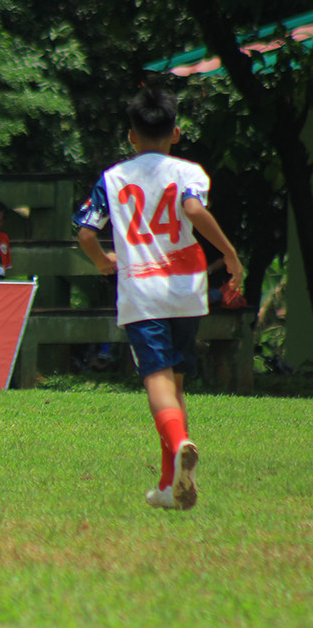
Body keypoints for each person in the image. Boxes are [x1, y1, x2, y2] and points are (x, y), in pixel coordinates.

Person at [73, 87, 243, 511]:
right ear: (176, 133)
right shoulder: (189, 172)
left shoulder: (113, 178)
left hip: (142, 292)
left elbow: (87, 234)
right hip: (186, 290)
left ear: (131, 136)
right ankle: (169, 485)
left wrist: (102, 262)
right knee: (177, 383)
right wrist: (229, 254)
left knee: (157, 380)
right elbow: (194, 211)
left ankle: (180, 440)